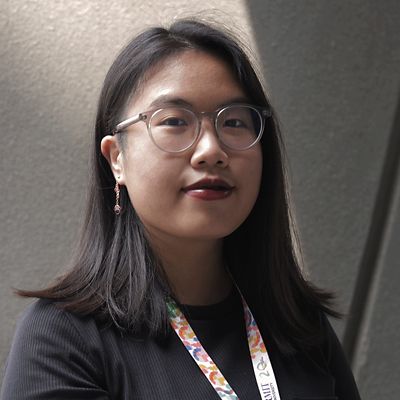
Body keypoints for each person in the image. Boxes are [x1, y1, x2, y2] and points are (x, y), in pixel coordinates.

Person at [1, 19, 361, 400]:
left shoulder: (299, 327)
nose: (211, 151)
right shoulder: (63, 339)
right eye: (175, 121)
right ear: (116, 158)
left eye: (235, 121)